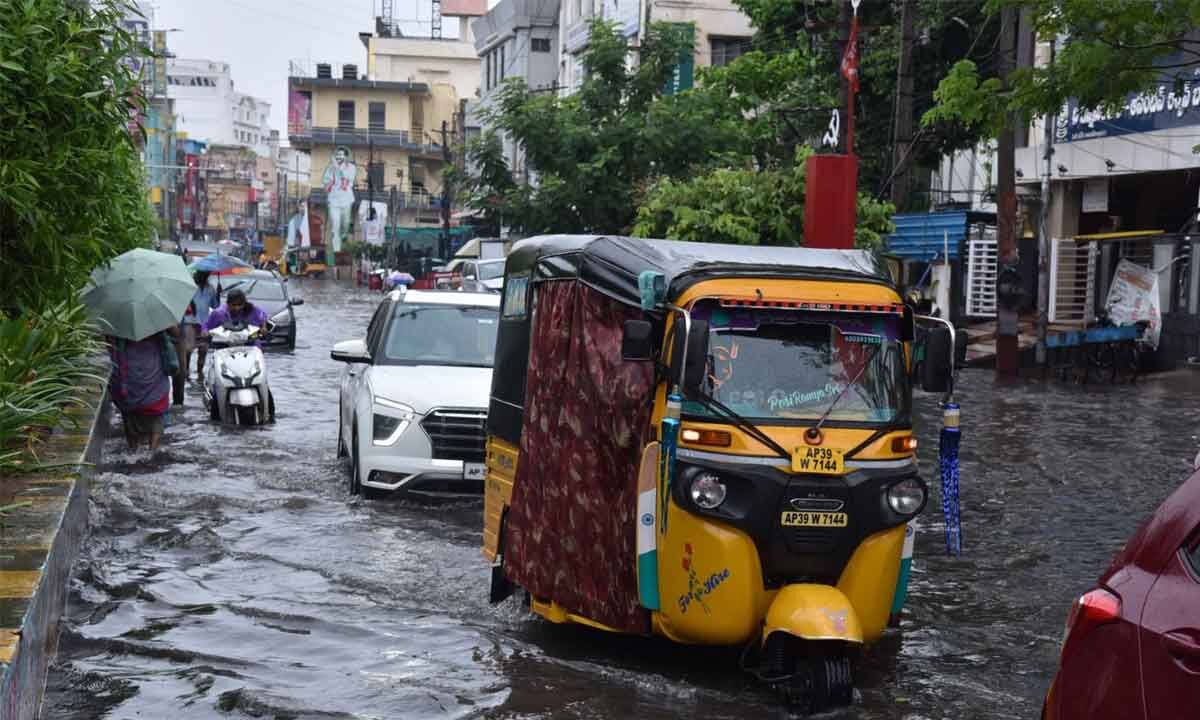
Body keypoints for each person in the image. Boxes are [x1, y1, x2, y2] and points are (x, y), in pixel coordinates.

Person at [108, 331, 176, 451]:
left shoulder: (119, 326)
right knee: (157, 414)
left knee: (129, 414)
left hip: (128, 374)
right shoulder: (155, 320)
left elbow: (110, 346)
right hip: (153, 370)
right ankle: (152, 451)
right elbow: (175, 334)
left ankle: (133, 450)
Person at [183, 271, 219, 384]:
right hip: (190, 321)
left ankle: (200, 372)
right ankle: (186, 371)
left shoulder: (211, 289)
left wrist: (218, 294)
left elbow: (215, 306)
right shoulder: (189, 287)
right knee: (188, 349)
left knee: (203, 349)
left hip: (204, 324)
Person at [321, 146, 356, 253]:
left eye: (341, 155)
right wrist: (329, 181)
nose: (338, 157)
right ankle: (337, 252)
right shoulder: (330, 168)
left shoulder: (351, 167)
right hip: (334, 201)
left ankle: (344, 235)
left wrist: (338, 168)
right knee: (335, 226)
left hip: (346, 200)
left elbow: (348, 177)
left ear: (346, 157)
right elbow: (325, 182)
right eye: (337, 155)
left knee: (345, 224)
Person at [202, 287, 269, 340]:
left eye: (240, 304)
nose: (237, 308)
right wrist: (205, 332)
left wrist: (263, 327)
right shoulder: (219, 313)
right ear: (228, 303)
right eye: (233, 305)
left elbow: (263, 317)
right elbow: (206, 325)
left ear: (244, 303)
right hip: (224, 345)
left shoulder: (252, 309)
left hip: (251, 344)